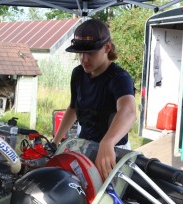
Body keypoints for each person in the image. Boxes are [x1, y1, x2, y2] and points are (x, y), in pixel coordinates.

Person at [53, 19, 136, 180]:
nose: (84, 59)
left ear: (107, 48)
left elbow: (129, 111)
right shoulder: (78, 74)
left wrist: (107, 142)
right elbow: (73, 108)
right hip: (84, 145)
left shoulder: (119, 78)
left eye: (90, 53)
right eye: (80, 53)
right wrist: (56, 141)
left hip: (113, 150)